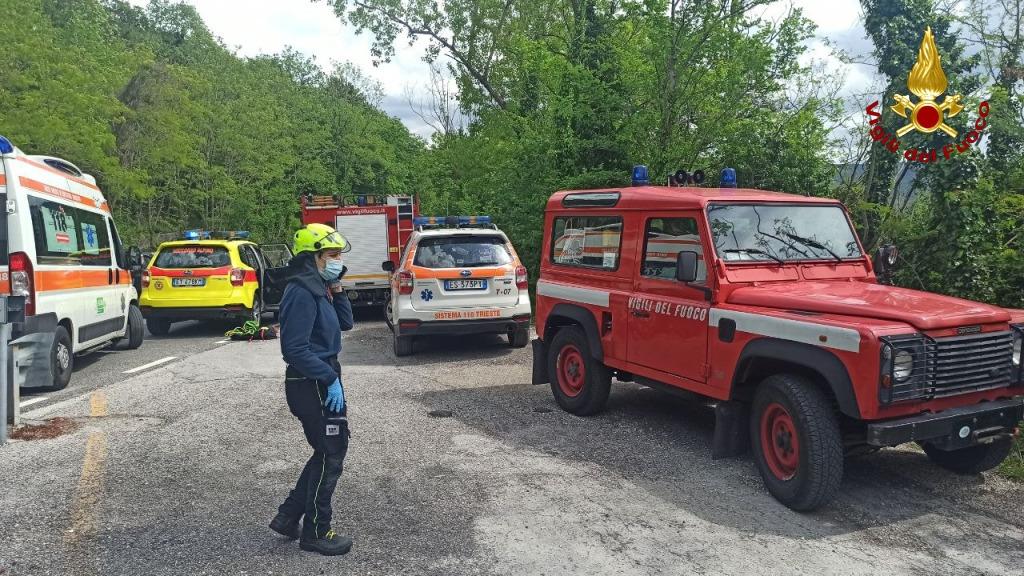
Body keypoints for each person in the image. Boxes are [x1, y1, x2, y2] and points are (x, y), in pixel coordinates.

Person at [269, 223, 355, 556]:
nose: (337, 261)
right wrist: (328, 378)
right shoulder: (301, 292)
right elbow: (293, 348)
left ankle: (288, 516)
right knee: (332, 451)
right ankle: (316, 532)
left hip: (323, 378)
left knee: (326, 449)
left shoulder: (318, 287)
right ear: (312, 257)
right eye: (331, 256)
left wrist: (338, 288)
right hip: (312, 382)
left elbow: (345, 324)